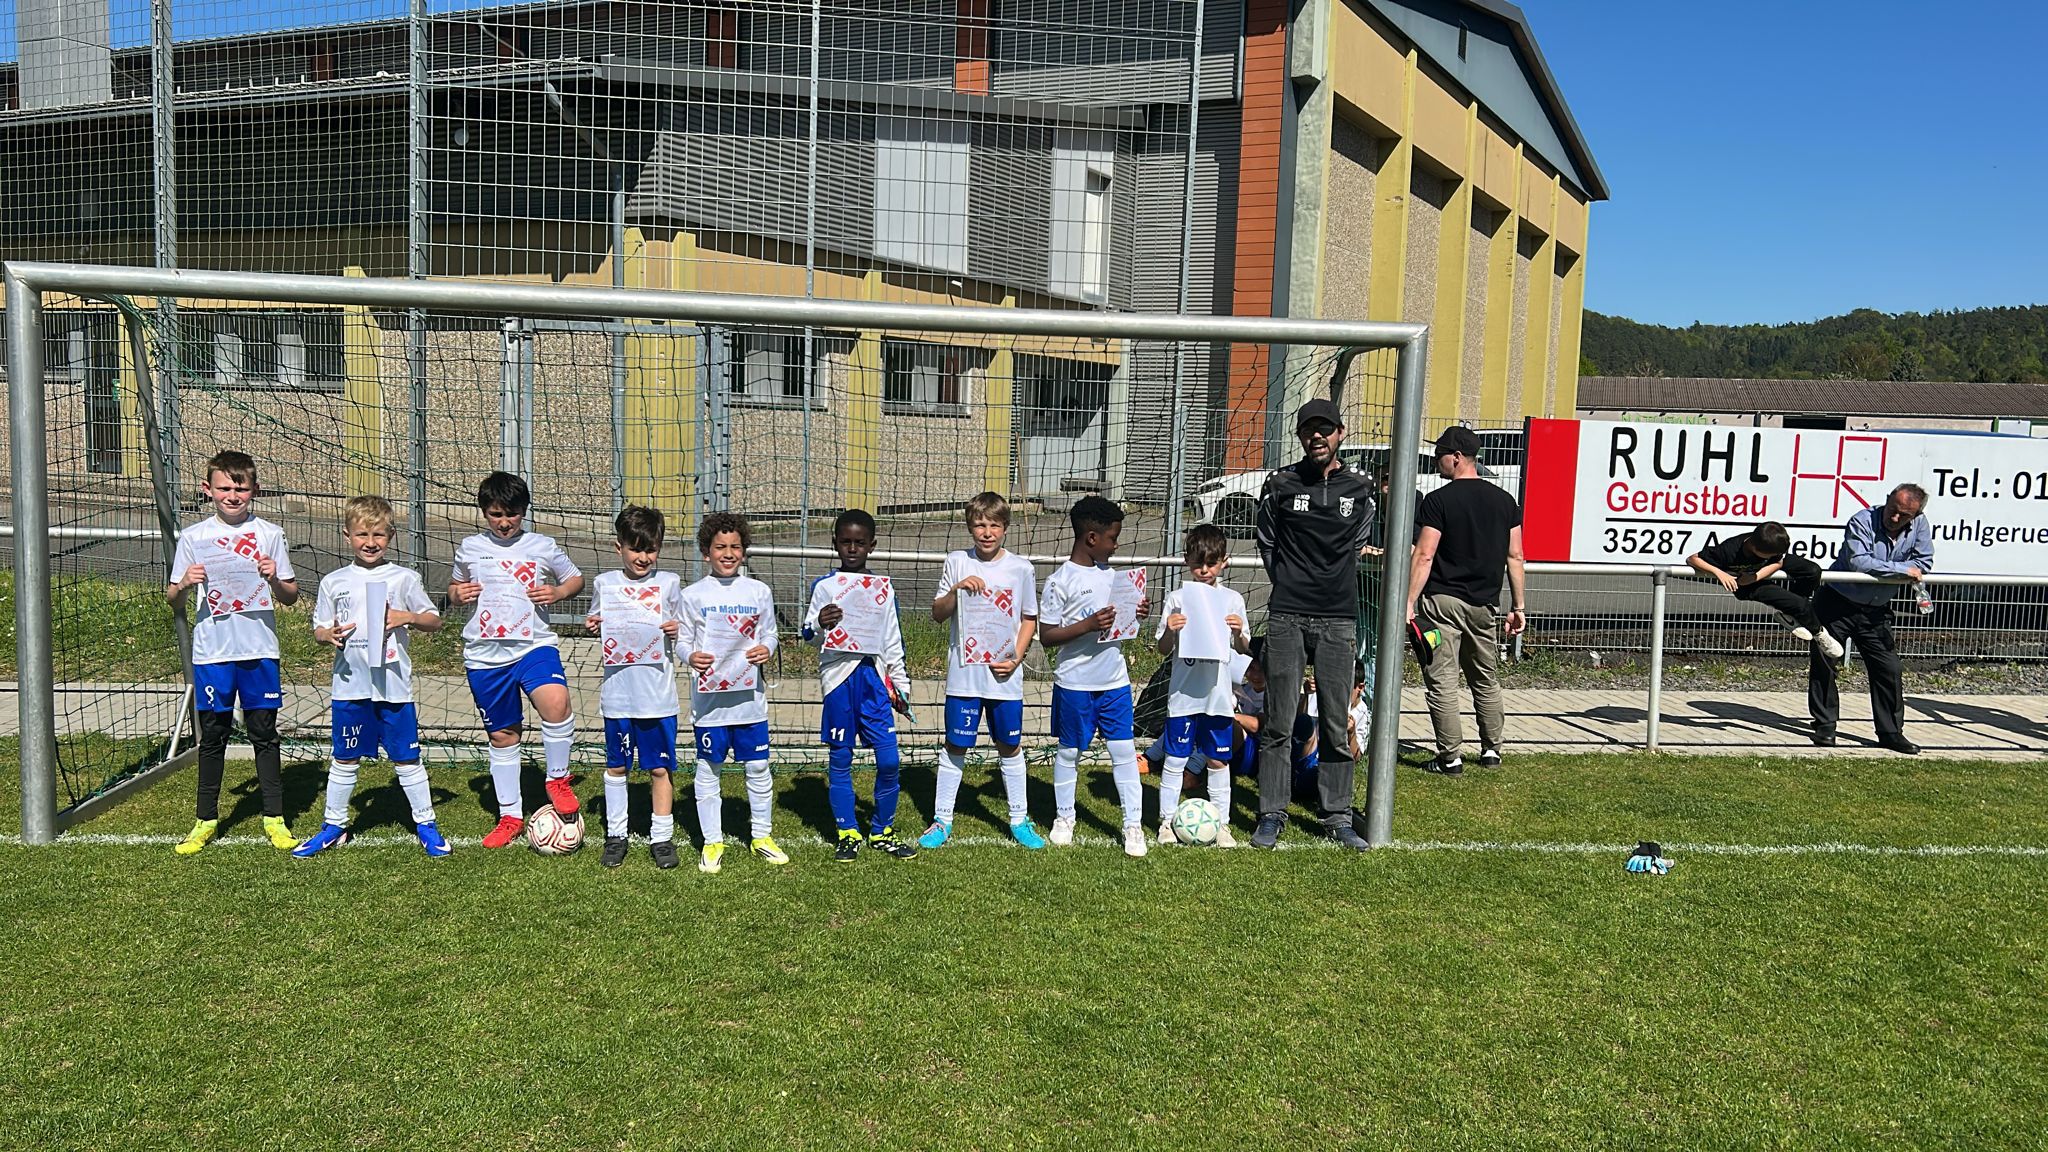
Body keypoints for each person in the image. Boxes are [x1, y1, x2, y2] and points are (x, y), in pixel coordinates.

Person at [1250, 397, 1375, 850]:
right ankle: (1271, 813)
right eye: (1308, 430)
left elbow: (1359, 543)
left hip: (1338, 618)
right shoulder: (1280, 483)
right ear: (1300, 437)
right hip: (1287, 616)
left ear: (1340, 433)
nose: (1317, 436)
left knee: (1336, 723)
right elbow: (1267, 541)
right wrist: (1289, 582)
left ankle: (1337, 815)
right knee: (1278, 723)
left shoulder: (1360, 488)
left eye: (1325, 429)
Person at [294, 496, 448, 859]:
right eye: (362, 534)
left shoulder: (404, 578)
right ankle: (334, 826)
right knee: (345, 758)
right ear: (347, 535)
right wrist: (327, 634)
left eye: (378, 534)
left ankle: (426, 824)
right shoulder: (334, 582)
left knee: (406, 759)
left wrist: (408, 617)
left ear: (390, 536)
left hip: (393, 688)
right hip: (350, 687)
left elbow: (434, 620)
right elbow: (319, 628)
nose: (370, 542)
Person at [165, 449, 301, 855]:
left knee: (264, 733)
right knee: (213, 736)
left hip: (258, 649)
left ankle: (274, 818)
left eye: (240, 488)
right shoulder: (194, 538)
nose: (232, 495)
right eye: (224, 488)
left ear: (254, 489)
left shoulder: (270, 534)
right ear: (208, 490)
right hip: (213, 653)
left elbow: (290, 596)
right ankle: (205, 820)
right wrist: (183, 584)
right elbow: (172, 598)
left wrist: (274, 579)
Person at [448, 472, 586, 848]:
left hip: (532, 646)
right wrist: (458, 595)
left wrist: (558, 592)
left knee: (556, 702)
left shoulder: (541, 546)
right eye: (496, 514)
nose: (505, 522)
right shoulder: (471, 548)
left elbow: (575, 579)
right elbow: (454, 587)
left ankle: (557, 779)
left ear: (524, 511)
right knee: (503, 735)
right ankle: (510, 816)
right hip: (485, 654)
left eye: (512, 514)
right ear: (484, 513)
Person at [922, 492, 1043, 850]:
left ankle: (1019, 818)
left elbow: (1029, 618)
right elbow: (938, 613)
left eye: (994, 525)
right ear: (969, 527)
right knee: (956, 744)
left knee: (1009, 745)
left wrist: (1016, 657)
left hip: (1004, 676)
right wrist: (957, 590)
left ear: (1005, 527)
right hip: (965, 677)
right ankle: (942, 819)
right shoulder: (957, 562)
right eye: (979, 525)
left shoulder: (1021, 568)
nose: (987, 532)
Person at [1406, 425, 1526, 776]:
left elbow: (1425, 555)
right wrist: (1518, 607)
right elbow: (1516, 556)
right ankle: (1491, 750)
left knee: (1442, 681)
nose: (1436, 461)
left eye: (1439, 455)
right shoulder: (1505, 501)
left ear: (1457, 457)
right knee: (1485, 678)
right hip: (1484, 605)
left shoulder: (1437, 501)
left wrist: (1408, 601)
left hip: (1442, 603)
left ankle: (1450, 757)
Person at [802, 509, 917, 862]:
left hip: (873, 681)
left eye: (860, 543)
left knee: (889, 760)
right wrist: (820, 624)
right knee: (841, 757)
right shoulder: (825, 586)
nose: (852, 549)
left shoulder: (883, 588)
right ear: (835, 544)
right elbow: (807, 634)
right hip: (839, 682)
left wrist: (900, 683)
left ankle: (882, 830)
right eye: (845, 542)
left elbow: (892, 640)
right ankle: (847, 832)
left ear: (872, 545)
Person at [1038, 495, 1150, 856]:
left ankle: (1133, 825)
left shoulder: (1116, 579)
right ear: (1091, 538)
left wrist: (1137, 613)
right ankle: (1064, 817)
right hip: (1075, 683)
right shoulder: (1060, 581)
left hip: (1114, 682)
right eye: (1112, 539)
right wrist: (1086, 625)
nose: (1115, 546)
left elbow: (1123, 625)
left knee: (1123, 751)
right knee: (1069, 751)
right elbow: (1047, 635)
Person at [583, 505, 686, 870]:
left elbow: (686, 630)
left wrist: (678, 629)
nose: (643, 557)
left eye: (650, 549)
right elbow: (597, 620)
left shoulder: (669, 584)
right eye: (635, 549)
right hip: (619, 696)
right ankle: (616, 835)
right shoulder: (605, 584)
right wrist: (593, 624)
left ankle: (661, 837)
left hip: (657, 697)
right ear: (619, 547)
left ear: (659, 548)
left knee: (659, 769)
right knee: (617, 767)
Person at [680, 512, 783, 871]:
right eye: (720, 547)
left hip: (749, 702)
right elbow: (683, 641)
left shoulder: (758, 591)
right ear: (706, 552)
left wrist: (767, 648)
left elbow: (770, 633)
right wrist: (690, 656)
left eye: (735, 547)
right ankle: (712, 841)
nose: (728, 554)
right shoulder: (692, 595)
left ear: (744, 550)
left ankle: (761, 836)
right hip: (710, 705)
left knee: (758, 766)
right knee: (709, 767)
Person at [1809, 483, 1934, 754]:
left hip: (1876, 611)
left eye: (1904, 515)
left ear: (1916, 515)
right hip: (1836, 601)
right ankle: (1825, 725)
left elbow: (1924, 563)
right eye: (1893, 509)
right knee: (1824, 664)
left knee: (1889, 669)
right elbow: (1860, 562)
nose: (1895, 518)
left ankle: (1890, 733)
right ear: (1887, 500)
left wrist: (1899, 569)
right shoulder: (1862, 520)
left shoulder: (1921, 526)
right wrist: (1903, 570)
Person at [1152, 523, 1250, 846]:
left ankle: (1221, 823)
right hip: (1183, 695)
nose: (1204, 570)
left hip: (1217, 698)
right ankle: (1167, 821)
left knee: (1217, 760)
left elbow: (1243, 648)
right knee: (1175, 758)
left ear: (1224, 562)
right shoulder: (1177, 599)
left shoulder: (1232, 600)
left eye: (1211, 563)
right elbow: (1163, 648)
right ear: (1187, 561)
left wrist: (1238, 632)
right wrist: (1170, 630)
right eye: (1198, 563)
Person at [1685, 522, 1844, 659]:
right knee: (1799, 605)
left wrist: (1755, 576)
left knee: (1813, 571)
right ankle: (1819, 633)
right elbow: (1692, 559)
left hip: (1755, 575)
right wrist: (1720, 573)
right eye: (1772, 554)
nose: (1777, 555)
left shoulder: (1772, 548)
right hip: (1746, 586)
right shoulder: (1730, 550)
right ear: (1755, 548)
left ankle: (1790, 614)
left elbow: (1778, 563)